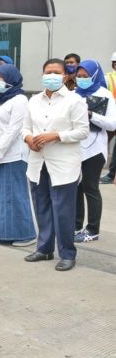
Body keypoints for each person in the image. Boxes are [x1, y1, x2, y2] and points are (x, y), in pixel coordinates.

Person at [23, 58, 89, 272]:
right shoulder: (33, 100)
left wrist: (55, 136)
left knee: (63, 210)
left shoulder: (74, 100)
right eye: (47, 72)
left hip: (63, 164)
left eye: (55, 72)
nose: (51, 75)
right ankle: (44, 248)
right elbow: (25, 128)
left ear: (64, 76)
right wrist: (28, 139)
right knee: (41, 207)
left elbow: (82, 131)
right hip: (37, 162)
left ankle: (68, 254)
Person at [0, 64, 36, 246]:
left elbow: (14, 130)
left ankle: (24, 234)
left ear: (11, 79)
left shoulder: (20, 100)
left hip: (12, 156)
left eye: (1, 78)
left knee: (13, 195)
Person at [72, 60, 116, 242]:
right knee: (75, 188)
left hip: (94, 150)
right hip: (74, 148)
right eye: (79, 76)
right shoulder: (73, 94)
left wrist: (91, 114)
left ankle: (93, 229)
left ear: (94, 76)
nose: (81, 80)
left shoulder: (104, 94)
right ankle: (75, 226)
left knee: (90, 187)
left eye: (86, 76)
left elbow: (112, 123)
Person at [100, 51, 116, 184]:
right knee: (101, 141)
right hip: (110, 117)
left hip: (109, 117)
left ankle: (112, 175)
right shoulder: (107, 78)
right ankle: (106, 173)